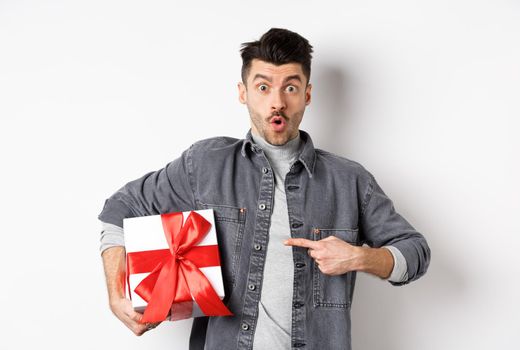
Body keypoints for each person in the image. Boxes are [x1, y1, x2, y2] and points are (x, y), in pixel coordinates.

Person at [99, 27, 431, 350]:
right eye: (263, 87)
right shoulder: (205, 164)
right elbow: (121, 208)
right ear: (243, 92)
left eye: (290, 87)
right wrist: (117, 295)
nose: (277, 102)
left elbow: (415, 253)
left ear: (307, 94)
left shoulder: (349, 180)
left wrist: (358, 256)